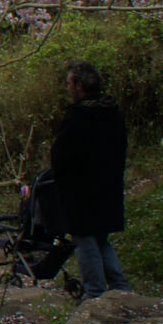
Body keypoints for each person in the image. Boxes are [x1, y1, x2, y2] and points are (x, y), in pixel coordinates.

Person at [49, 60, 132, 300]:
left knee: (85, 241)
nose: (67, 88)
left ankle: (95, 293)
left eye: (69, 83)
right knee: (101, 240)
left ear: (79, 86)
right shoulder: (112, 112)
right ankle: (121, 289)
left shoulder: (79, 117)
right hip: (108, 189)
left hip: (81, 193)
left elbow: (61, 155)